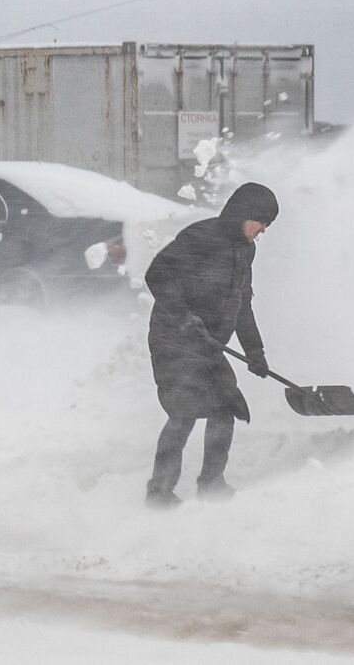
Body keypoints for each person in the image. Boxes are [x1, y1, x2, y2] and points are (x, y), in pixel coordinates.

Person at [143, 182, 278, 508]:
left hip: (208, 344)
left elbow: (242, 301)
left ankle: (211, 483)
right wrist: (183, 317)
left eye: (267, 226)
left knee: (224, 407)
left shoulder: (245, 249)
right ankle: (159, 493)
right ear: (243, 214)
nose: (262, 230)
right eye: (261, 222)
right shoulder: (201, 237)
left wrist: (254, 351)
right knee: (184, 412)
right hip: (173, 339)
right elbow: (157, 274)